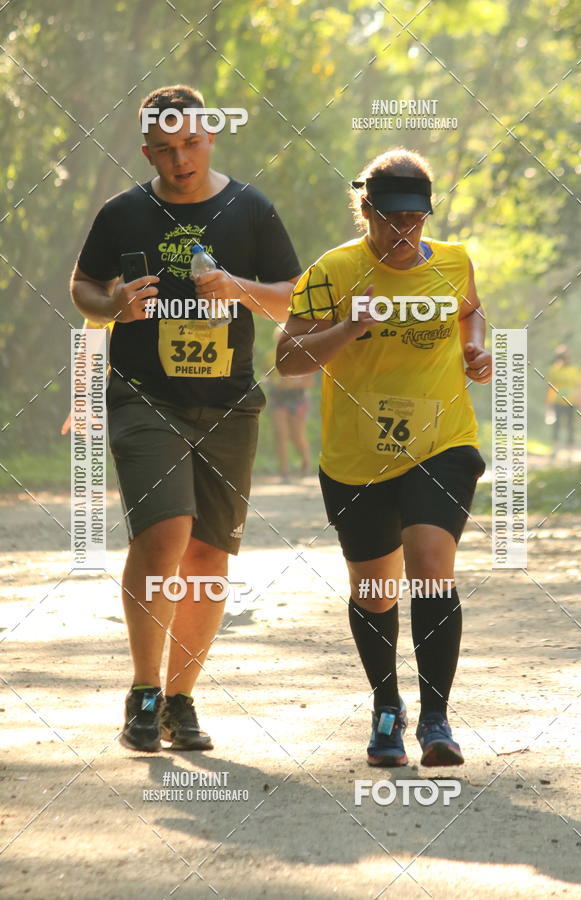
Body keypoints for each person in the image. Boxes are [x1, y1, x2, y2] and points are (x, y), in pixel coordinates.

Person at [70, 84, 301, 752]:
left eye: (191, 144)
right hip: (146, 395)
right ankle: (144, 690)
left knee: (207, 554)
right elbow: (82, 286)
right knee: (165, 532)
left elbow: (292, 298)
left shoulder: (249, 209)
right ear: (147, 151)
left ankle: (181, 699)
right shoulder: (122, 214)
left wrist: (239, 288)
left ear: (211, 135)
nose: (181, 160)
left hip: (229, 404)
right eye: (165, 150)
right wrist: (111, 303)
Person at [277, 148, 490, 768]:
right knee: (373, 591)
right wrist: (347, 328)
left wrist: (475, 352)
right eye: (391, 219)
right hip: (357, 457)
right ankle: (386, 708)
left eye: (415, 220)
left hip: (442, 441)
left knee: (430, 563)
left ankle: (437, 719)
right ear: (364, 209)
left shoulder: (453, 262)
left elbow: (470, 314)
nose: (404, 232)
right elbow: (287, 360)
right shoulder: (333, 271)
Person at [266, 326, 313, 481]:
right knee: (281, 434)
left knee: (296, 435)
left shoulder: (302, 354)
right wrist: (273, 383)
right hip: (278, 399)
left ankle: (306, 462)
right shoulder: (270, 357)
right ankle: (284, 471)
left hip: (297, 399)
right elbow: (265, 377)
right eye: (280, 337)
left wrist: (291, 383)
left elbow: (309, 381)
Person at [545, 346, 580, 458]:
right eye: (562, 357)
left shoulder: (573, 369)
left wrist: (579, 399)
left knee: (570, 425)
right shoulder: (554, 370)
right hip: (557, 401)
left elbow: (577, 386)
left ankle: (570, 450)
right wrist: (549, 403)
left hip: (571, 401)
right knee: (557, 425)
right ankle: (555, 448)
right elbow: (550, 387)